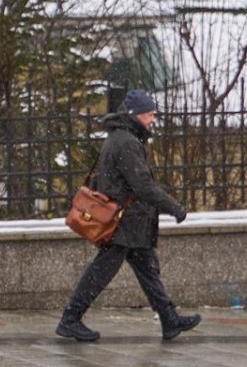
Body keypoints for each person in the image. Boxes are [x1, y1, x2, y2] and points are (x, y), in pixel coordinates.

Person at [57, 89, 200, 342]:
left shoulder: (123, 137)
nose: (153, 119)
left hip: (131, 222)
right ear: (135, 115)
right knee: (101, 272)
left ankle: (169, 319)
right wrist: (174, 207)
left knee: (148, 271)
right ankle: (70, 319)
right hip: (123, 222)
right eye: (149, 114)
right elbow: (142, 186)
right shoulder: (126, 142)